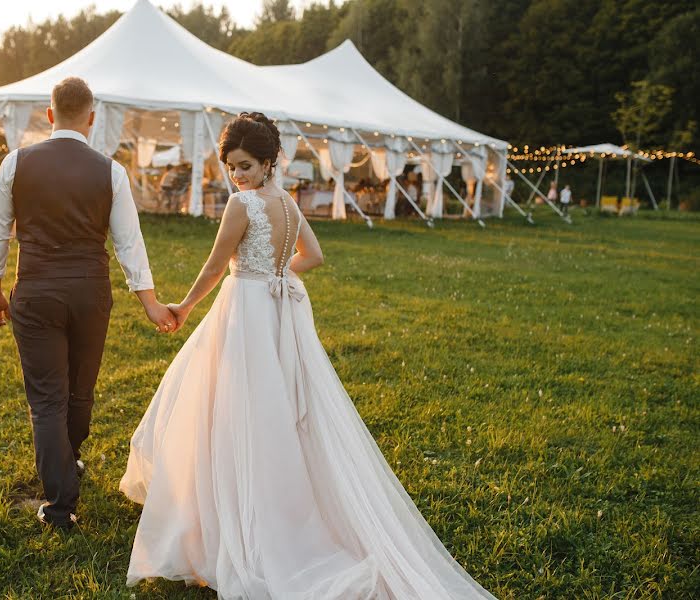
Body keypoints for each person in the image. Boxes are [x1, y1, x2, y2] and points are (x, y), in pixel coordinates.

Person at [120, 112, 497, 599]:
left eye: (247, 166)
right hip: (276, 311)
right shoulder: (290, 206)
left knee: (236, 408)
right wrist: (279, 277)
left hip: (247, 309)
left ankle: (239, 516)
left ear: (270, 161)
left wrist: (186, 308)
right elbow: (312, 256)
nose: (238, 177)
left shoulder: (242, 207)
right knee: (264, 405)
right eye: (232, 168)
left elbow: (216, 267)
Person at [0, 77, 176, 530]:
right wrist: (149, 303)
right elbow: (130, 243)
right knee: (79, 391)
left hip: (38, 291)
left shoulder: (17, 162)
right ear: (91, 117)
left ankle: (61, 503)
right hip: (90, 293)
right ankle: (69, 471)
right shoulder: (111, 171)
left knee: (48, 400)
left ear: (49, 115)